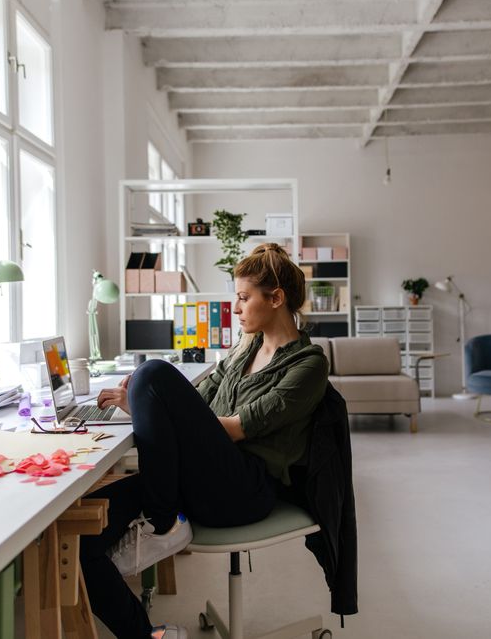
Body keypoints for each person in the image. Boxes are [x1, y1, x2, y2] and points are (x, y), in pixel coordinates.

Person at [82, 242, 329, 639]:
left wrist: (157, 403)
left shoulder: (309, 363)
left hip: (244, 489)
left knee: (153, 373)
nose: (235, 307)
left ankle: (163, 522)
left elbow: (236, 427)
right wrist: (140, 408)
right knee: (82, 537)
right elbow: (195, 408)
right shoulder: (242, 350)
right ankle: (144, 635)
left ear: (276, 298)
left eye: (244, 298)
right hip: (197, 477)